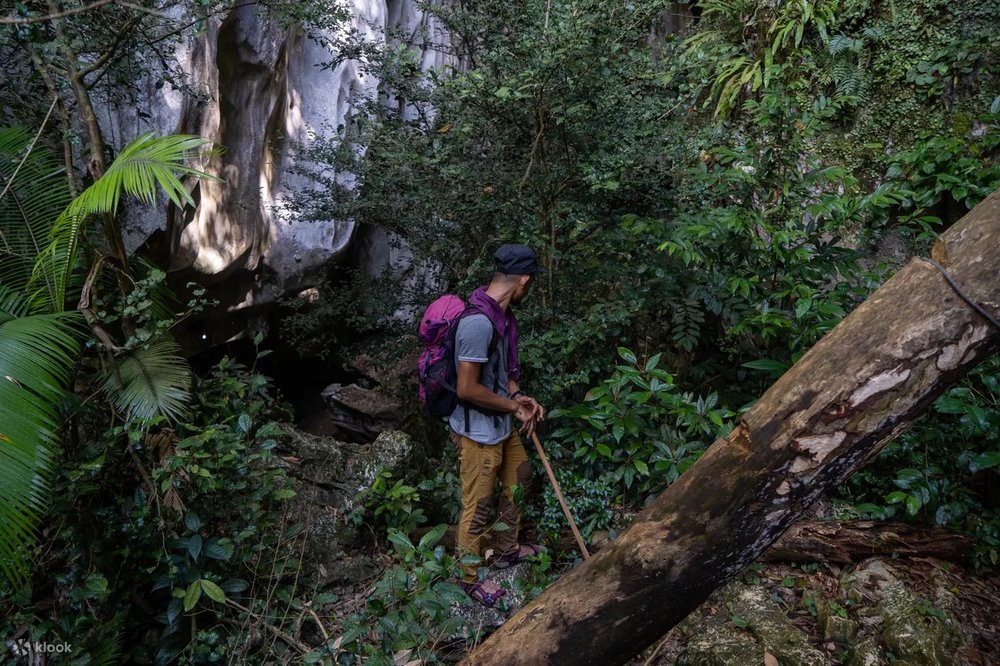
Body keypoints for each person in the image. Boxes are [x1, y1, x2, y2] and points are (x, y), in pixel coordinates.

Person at [450, 243, 547, 607]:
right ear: (523, 280)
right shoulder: (477, 323)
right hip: (476, 431)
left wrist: (519, 396)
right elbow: (466, 388)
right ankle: (468, 577)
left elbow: (502, 374)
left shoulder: (503, 317)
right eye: (531, 281)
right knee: (478, 505)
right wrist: (512, 406)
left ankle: (507, 549)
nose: (530, 287)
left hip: (500, 424)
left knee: (520, 477)